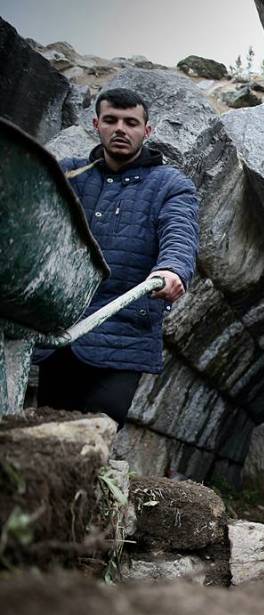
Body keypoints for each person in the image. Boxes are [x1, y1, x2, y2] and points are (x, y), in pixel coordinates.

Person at [34, 88, 199, 426]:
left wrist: (172, 269)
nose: (120, 129)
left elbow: (180, 232)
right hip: (62, 330)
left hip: (124, 331)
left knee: (100, 425)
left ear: (147, 131)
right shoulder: (68, 175)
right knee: (48, 428)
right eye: (111, 120)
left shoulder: (170, 185)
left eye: (131, 122)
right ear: (97, 124)